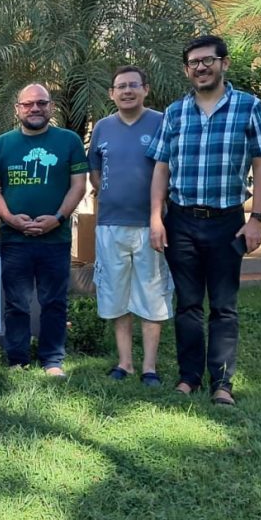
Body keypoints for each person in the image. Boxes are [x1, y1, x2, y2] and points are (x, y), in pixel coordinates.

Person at [148, 35, 261, 406]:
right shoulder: (175, 112)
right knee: (187, 304)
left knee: (223, 305)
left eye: (208, 60)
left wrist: (257, 219)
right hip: (182, 221)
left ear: (224, 63)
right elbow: (161, 167)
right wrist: (156, 218)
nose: (201, 68)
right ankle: (189, 377)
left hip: (227, 222)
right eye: (194, 63)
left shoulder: (249, 107)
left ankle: (222, 382)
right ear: (186, 70)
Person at [0, 84, 88, 377]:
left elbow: (78, 185)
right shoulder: (2, 144)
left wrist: (57, 217)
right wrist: (9, 218)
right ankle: (17, 361)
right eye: (28, 104)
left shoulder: (68, 141)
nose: (35, 109)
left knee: (54, 301)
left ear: (51, 107)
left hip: (55, 237)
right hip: (14, 239)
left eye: (41, 103)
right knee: (16, 303)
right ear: (17, 109)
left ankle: (52, 361)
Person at [88, 66, 172, 387]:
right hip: (110, 225)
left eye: (133, 85)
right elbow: (95, 170)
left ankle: (150, 367)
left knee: (152, 293)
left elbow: (169, 169)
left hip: (151, 225)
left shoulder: (161, 122)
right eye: (120, 86)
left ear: (145, 89)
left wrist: (158, 214)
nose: (126, 91)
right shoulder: (102, 128)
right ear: (112, 93)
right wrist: (108, 191)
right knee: (116, 294)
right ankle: (125, 363)